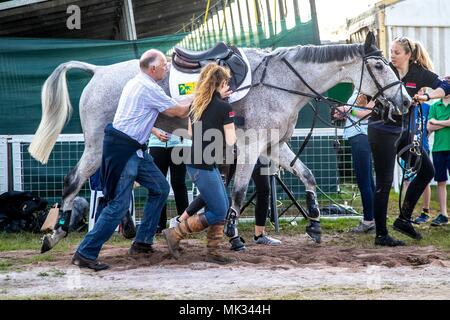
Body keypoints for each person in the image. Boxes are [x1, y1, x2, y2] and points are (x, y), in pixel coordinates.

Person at [71, 49, 191, 271]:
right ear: (153, 68)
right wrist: (204, 93)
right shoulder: (148, 87)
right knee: (117, 206)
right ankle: (85, 253)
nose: (167, 67)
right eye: (164, 64)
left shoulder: (137, 82)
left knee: (160, 188)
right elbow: (180, 111)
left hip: (134, 148)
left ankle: (142, 242)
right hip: (124, 150)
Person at [364, 36, 450, 246]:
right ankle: (381, 234)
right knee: (384, 182)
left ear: (408, 55)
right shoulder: (386, 71)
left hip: (404, 132)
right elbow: (366, 97)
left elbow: (445, 87)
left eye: (396, 52)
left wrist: (427, 97)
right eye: (391, 51)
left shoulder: (418, 73)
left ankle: (404, 219)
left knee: (426, 171)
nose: (392, 56)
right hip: (381, 130)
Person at [162, 63, 236, 264]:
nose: (227, 85)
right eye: (226, 82)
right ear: (220, 83)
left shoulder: (196, 104)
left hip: (196, 162)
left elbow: (192, 133)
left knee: (221, 205)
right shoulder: (225, 107)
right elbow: (231, 141)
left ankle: (213, 252)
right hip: (205, 165)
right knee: (219, 210)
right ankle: (175, 233)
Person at [171, 158, 282, 251]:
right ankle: (178, 221)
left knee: (264, 188)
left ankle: (259, 235)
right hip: (234, 149)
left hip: (256, 148)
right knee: (216, 190)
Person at [334, 90, 375, 233]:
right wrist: (343, 113)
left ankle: (369, 220)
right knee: (367, 180)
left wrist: (347, 110)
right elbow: (355, 113)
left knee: (364, 181)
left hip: (362, 136)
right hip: (357, 136)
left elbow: (367, 113)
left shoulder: (372, 90)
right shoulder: (358, 90)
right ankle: (373, 219)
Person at [148, 126, 190, 233]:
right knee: (158, 186)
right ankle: (159, 223)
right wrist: (154, 131)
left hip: (178, 144)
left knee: (178, 183)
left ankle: (184, 221)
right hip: (156, 144)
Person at [426, 94, 450, 226]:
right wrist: (445, 123)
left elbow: (433, 124)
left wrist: (436, 121)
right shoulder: (435, 105)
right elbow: (429, 127)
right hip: (438, 149)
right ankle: (443, 215)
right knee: (441, 181)